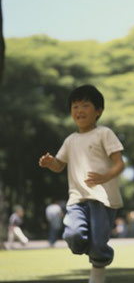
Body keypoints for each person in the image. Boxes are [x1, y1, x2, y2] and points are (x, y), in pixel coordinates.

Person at [39, 84, 125, 283]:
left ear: (98, 111)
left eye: (85, 105)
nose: (79, 110)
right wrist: (51, 162)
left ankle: (97, 276)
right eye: (75, 106)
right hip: (77, 199)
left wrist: (105, 177)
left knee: (98, 245)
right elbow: (60, 165)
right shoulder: (70, 140)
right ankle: (91, 248)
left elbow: (120, 164)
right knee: (74, 236)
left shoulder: (104, 133)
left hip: (103, 200)